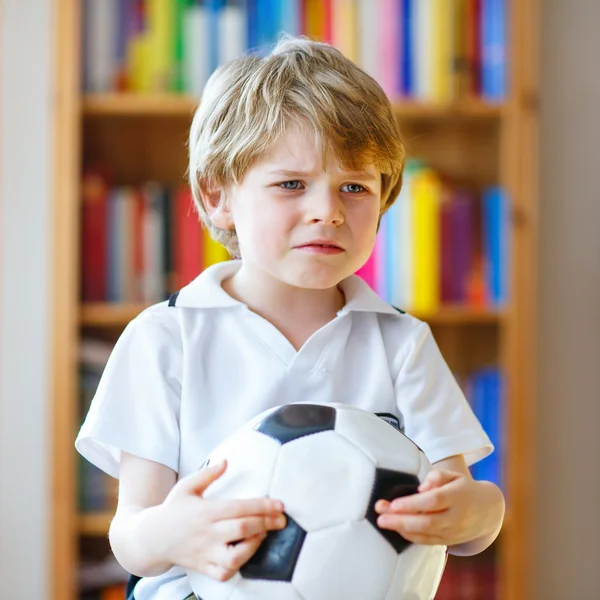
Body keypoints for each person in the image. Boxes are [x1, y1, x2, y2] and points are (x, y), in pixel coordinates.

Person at [76, 35, 505, 600]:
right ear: (217, 197)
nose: (326, 212)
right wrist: (173, 532)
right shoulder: (165, 338)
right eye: (291, 185)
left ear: (384, 199)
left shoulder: (401, 341)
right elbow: (130, 536)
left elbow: (473, 515)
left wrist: (473, 513)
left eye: (354, 187)